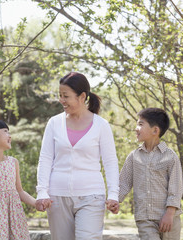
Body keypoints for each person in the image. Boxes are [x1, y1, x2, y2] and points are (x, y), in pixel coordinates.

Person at [36, 72, 120, 240]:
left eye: (66, 96)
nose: (61, 100)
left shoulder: (101, 125)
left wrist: (113, 195)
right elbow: (45, 159)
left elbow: (110, 162)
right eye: (60, 95)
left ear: (82, 96)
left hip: (92, 195)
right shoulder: (54, 123)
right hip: (57, 197)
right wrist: (42, 192)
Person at [118, 108, 183, 240]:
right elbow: (123, 183)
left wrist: (170, 214)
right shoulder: (133, 157)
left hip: (170, 218)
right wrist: (115, 200)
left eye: (140, 124)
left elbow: (175, 187)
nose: (136, 128)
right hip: (145, 219)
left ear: (155, 130)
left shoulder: (170, 156)